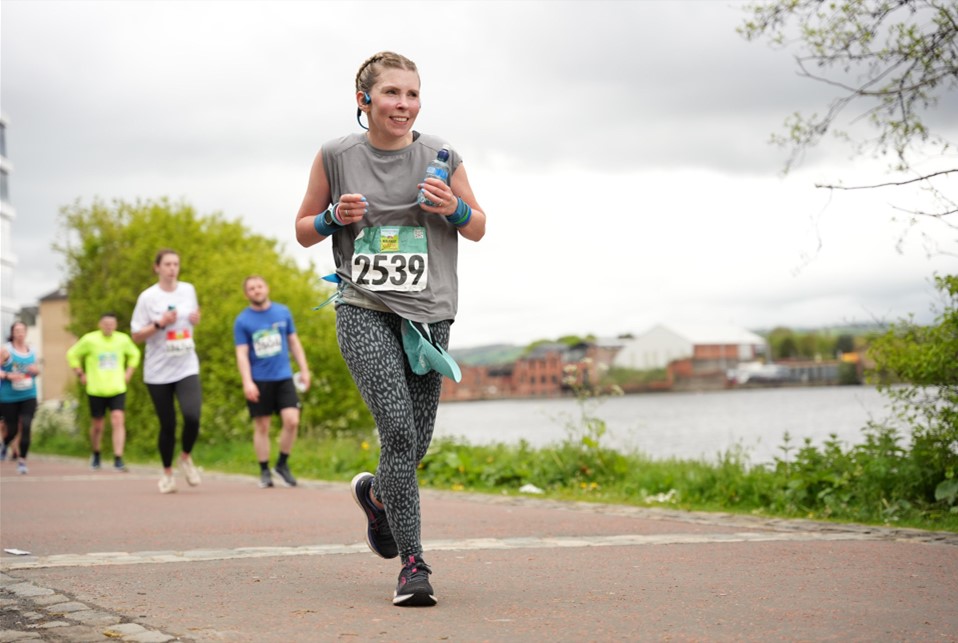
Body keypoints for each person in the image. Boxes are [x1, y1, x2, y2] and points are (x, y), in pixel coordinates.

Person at [294, 51, 486, 607]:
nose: (404, 104)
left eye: (413, 94)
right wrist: (334, 218)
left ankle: (378, 496)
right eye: (391, 94)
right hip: (364, 306)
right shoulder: (335, 155)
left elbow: (478, 227)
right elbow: (304, 229)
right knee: (398, 433)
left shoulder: (441, 155)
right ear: (365, 101)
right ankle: (413, 565)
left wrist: (452, 209)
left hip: (430, 314)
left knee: (414, 444)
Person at [131, 249, 203, 494]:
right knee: (168, 424)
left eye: (176, 264)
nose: (173, 268)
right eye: (168, 264)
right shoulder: (147, 298)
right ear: (157, 268)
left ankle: (185, 457)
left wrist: (195, 319)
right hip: (158, 370)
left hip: (186, 364)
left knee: (192, 416)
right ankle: (167, 474)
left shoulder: (188, 290)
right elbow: (136, 336)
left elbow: (193, 318)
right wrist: (160, 323)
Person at [233, 275, 311, 489]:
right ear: (247, 294)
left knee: (292, 421)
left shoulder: (282, 312)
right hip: (259, 380)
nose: (256, 290)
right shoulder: (242, 321)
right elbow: (241, 354)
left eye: (259, 286)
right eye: (251, 288)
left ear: (266, 288)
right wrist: (247, 382)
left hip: (283, 377)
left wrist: (304, 369)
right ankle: (264, 470)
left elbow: (294, 342)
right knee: (262, 426)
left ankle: (282, 464)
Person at [66, 312, 141, 472]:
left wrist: (128, 373)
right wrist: (80, 373)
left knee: (118, 419)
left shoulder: (122, 339)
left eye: (112, 324)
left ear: (115, 325)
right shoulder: (90, 339)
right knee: (98, 425)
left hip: (117, 387)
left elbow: (135, 354)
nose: (108, 326)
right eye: (106, 323)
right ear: (100, 324)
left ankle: (118, 458)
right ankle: (96, 453)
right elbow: (72, 354)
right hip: (96, 388)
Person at [0, 321, 40, 475]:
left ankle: (22, 461)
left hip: (29, 394)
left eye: (22, 330)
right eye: (17, 330)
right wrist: (9, 375)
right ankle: (5, 444)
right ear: (13, 333)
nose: (20, 333)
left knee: (27, 424)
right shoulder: (6, 350)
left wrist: (35, 371)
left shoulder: (32, 351)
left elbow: (36, 371)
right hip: (9, 397)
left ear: (26, 332)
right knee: (12, 429)